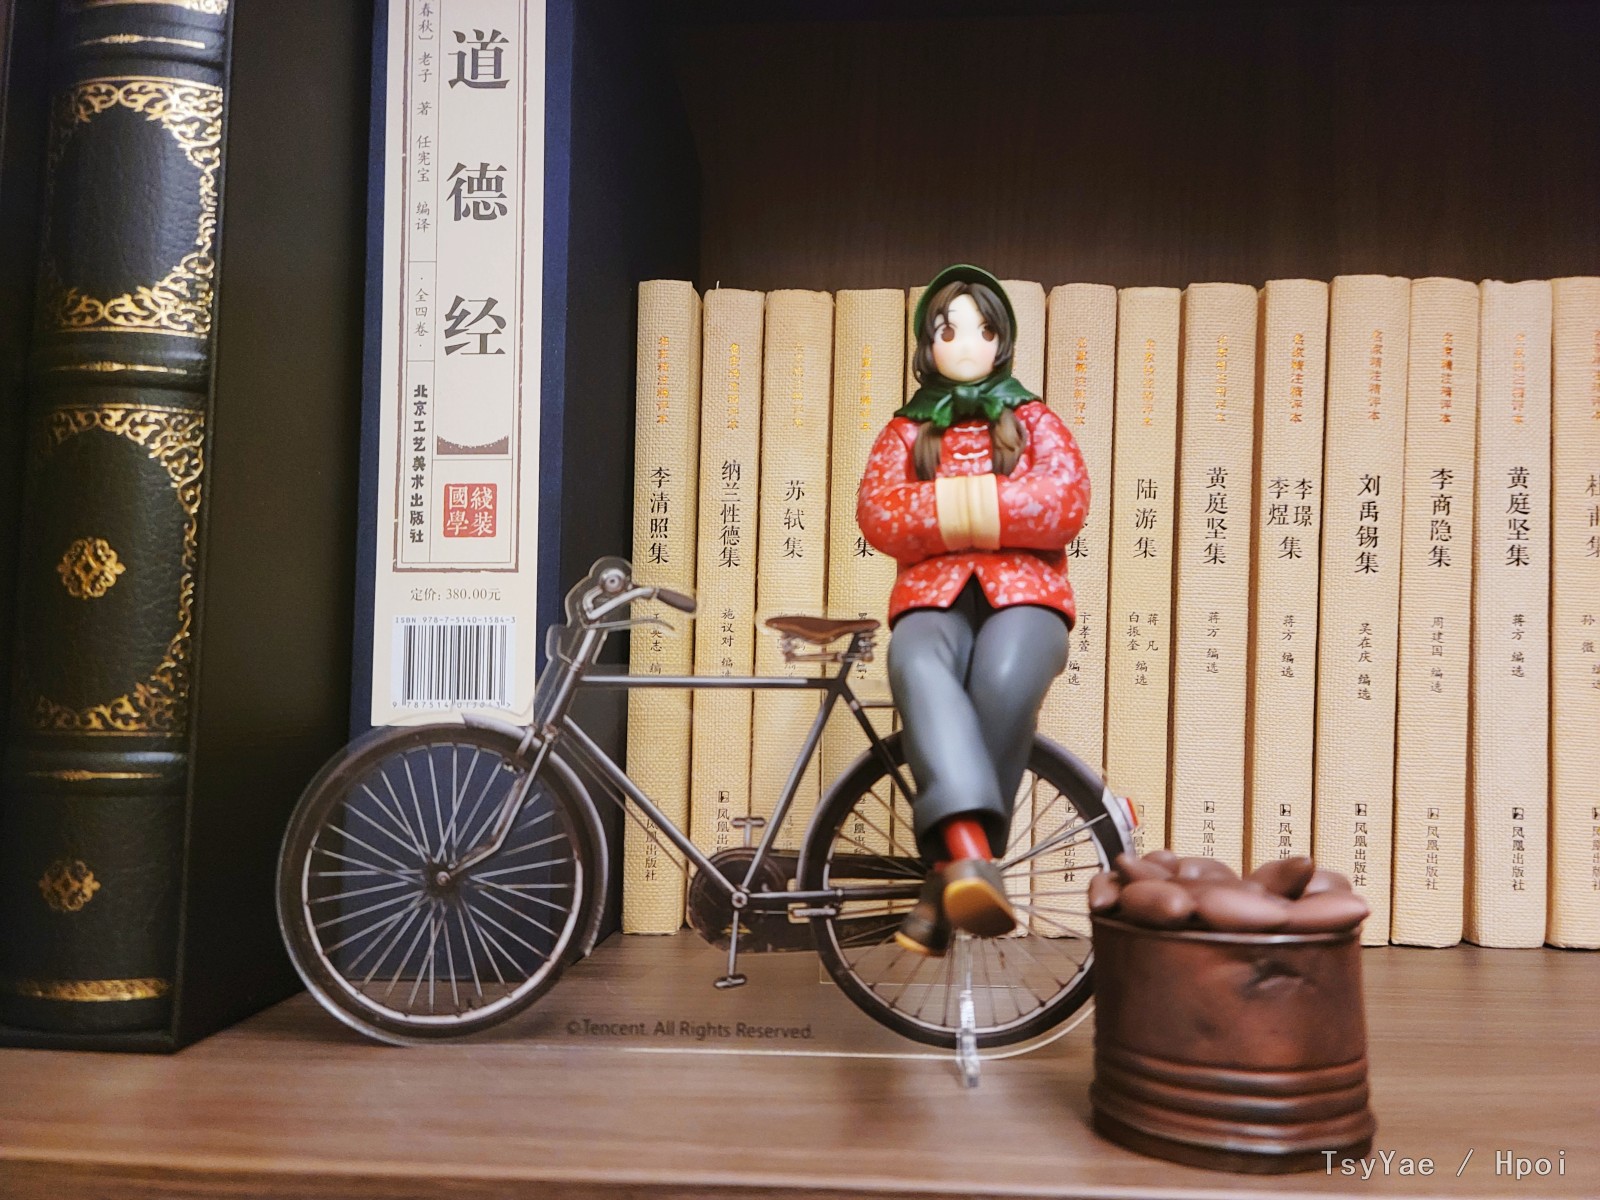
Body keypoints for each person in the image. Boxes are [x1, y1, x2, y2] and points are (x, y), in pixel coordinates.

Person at [855, 264, 1089, 955]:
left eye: (982, 330)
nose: (965, 345)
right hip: (931, 597)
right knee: (916, 664)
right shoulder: (905, 430)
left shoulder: (1034, 419)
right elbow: (880, 514)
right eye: (947, 330)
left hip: (1028, 596)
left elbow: (1063, 502)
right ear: (926, 343)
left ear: (1002, 341)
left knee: (1004, 678)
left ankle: (944, 878)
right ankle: (970, 859)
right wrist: (993, 512)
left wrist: (947, 512)